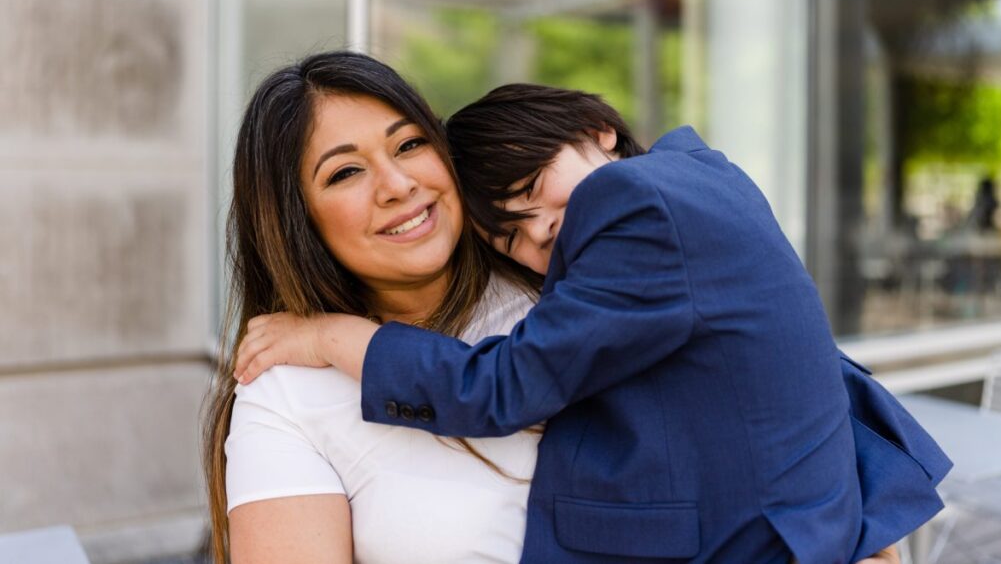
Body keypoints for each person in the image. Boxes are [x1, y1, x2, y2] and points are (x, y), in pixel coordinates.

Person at [235, 83, 951, 563]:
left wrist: (336, 337)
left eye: (407, 145)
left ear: (599, 131)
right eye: (511, 230)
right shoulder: (286, 397)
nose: (545, 231)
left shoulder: (631, 211)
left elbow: (502, 385)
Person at [202, 51, 545, 564]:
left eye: (409, 144)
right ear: (298, 221)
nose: (399, 185)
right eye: (345, 173)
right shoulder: (288, 394)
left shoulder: (562, 298)